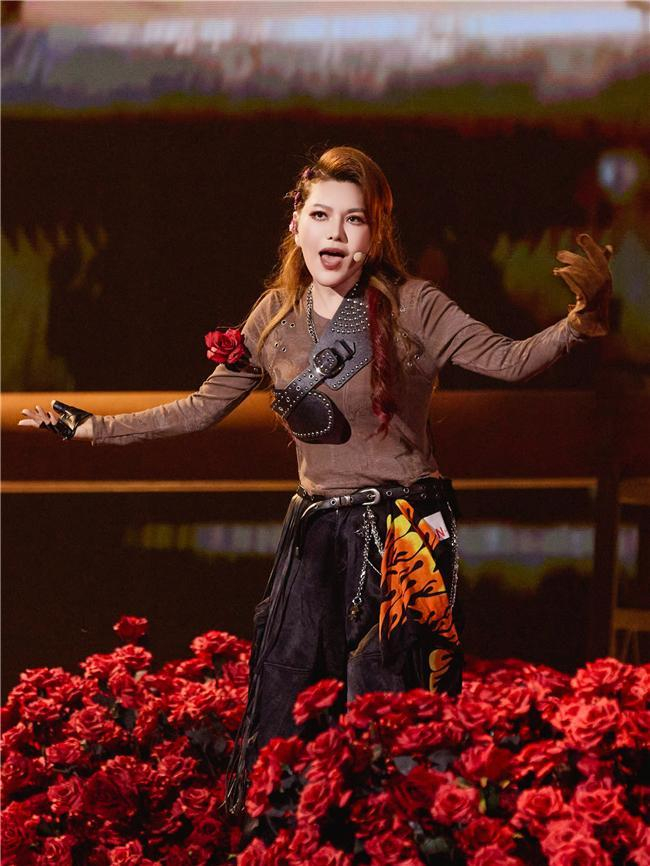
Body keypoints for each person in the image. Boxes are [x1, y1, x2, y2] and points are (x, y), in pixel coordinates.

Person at [19, 146, 613, 818]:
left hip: (404, 534)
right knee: (289, 709)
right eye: (322, 215)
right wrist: (92, 428)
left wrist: (579, 323)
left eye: (354, 219)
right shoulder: (275, 316)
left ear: (374, 234)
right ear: (295, 223)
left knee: (392, 719)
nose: (336, 233)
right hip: (316, 534)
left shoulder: (414, 305)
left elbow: (509, 360)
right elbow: (199, 409)